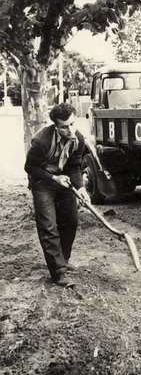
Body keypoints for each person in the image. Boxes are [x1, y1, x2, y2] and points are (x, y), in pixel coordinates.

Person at [25, 103, 90, 288]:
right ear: (55, 125)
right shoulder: (42, 141)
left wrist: (81, 188)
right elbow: (30, 168)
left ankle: (63, 260)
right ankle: (58, 272)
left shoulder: (78, 138)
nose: (69, 130)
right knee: (48, 226)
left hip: (64, 181)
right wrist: (54, 178)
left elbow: (75, 167)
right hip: (43, 182)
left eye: (72, 124)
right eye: (64, 126)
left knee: (71, 221)